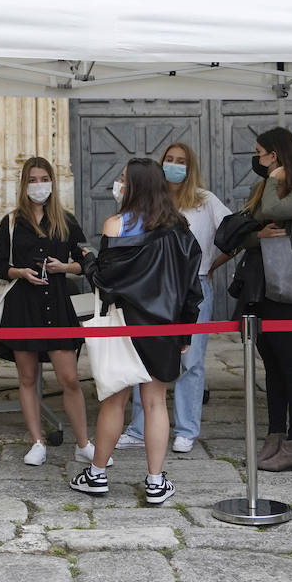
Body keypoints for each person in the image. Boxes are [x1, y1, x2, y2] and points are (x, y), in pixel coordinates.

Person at [70, 158, 202, 505]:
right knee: (156, 402)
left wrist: (87, 259)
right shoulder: (180, 229)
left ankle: (97, 474)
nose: (118, 183)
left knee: (115, 400)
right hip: (164, 327)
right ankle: (156, 482)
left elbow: (105, 280)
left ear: (136, 186)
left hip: (123, 325)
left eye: (124, 179)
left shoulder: (115, 226)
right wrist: (186, 331)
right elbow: (191, 287)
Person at [117, 142, 229, 455]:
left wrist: (211, 264)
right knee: (145, 358)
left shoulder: (205, 201)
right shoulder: (153, 200)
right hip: (155, 289)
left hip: (194, 287)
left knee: (190, 360)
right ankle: (140, 428)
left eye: (181, 161)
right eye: (169, 159)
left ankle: (186, 429)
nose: (175, 165)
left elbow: (233, 232)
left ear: (190, 166)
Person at [0, 156, 93, 467]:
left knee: (70, 377)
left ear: (52, 182)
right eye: (32, 180)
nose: (38, 185)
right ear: (24, 184)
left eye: (43, 178)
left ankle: (83, 442)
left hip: (58, 303)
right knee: (27, 377)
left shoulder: (66, 220)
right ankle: (37, 441)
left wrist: (66, 267)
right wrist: (20, 272)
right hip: (24, 306)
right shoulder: (11, 222)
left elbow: (87, 261)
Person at [235, 127, 292, 473]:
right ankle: (275, 437)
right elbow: (245, 234)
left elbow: (269, 209)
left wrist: (275, 178)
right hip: (262, 287)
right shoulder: (268, 190)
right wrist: (258, 235)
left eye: (260, 153)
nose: (257, 160)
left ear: (276, 156)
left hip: (286, 287)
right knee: (272, 365)